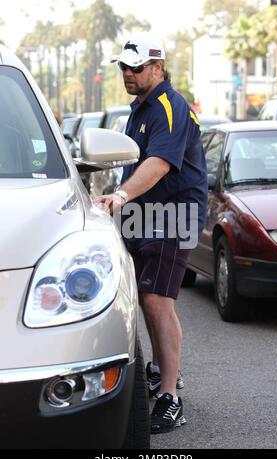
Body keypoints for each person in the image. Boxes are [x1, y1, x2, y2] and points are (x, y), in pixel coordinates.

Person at [93, 32, 208, 434]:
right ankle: (161, 371)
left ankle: (171, 397)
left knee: (158, 300)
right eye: (124, 66)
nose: (127, 73)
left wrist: (121, 195)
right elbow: (134, 162)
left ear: (158, 68)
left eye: (136, 67)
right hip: (143, 214)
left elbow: (159, 164)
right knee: (146, 297)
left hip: (171, 215)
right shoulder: (140, 108)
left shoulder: (169, 107)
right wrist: (114, 197)